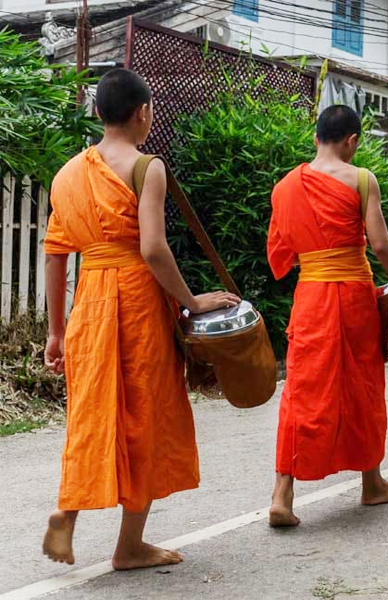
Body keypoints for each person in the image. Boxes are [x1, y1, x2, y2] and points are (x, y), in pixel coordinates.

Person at [41, 69, 240, 569]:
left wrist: (55, 332)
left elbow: (55, 256)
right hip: (136, 302)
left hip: (89, 306)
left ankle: (69, 511)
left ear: (97, 113)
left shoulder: (67, 174)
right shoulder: (146, 166)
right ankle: (129, 546)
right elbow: (152, 249)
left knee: (93, 413)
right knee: (144, 419)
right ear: (143, 112)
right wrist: (193, 301)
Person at [267, 105, 388, 526]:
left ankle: (282, 494)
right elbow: (381, 245)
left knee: (302, 389)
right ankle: (371, 483)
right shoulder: (361, 179)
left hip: (311, 297)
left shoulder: (286, 186)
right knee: (363, 387)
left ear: (315, 138)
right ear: (353, 142)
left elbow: (280, 255)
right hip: (353, 297)